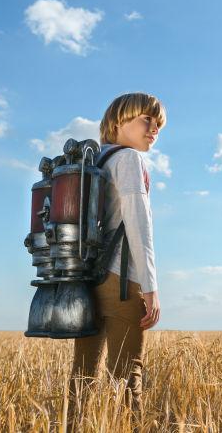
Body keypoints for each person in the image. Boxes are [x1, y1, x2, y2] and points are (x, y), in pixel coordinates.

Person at [70, 92, 165, 423]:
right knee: (127, 378)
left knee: (82, 377)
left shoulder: (97, 161)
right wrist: (150, 288)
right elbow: (138, 224)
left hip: (85, 278)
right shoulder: (129, 160)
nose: (154, 129)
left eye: (158, 124)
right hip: (120, 279)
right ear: (118, 122)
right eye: (146, 120)